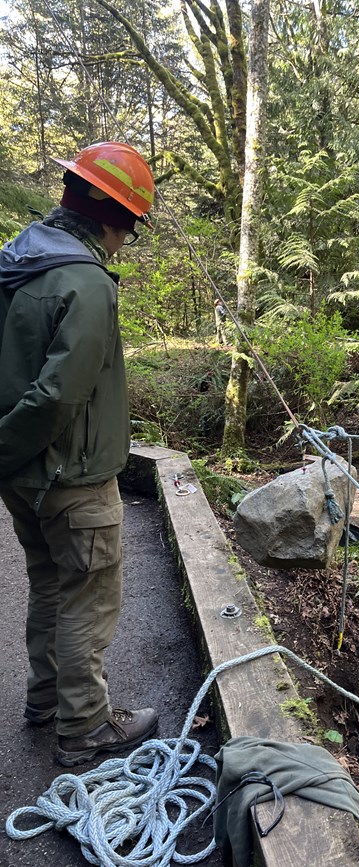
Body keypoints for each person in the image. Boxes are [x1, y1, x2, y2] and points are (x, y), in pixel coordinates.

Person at [0, 141, 159, 767]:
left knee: (49, 583)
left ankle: (46, 700)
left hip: (24, 477)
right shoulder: (87, 283)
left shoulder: (15, 262)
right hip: (72, 475)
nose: (127, 241)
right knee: (90, 594)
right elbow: (57, 395)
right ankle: (86, 725)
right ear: (114, 219)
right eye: (130, 228)